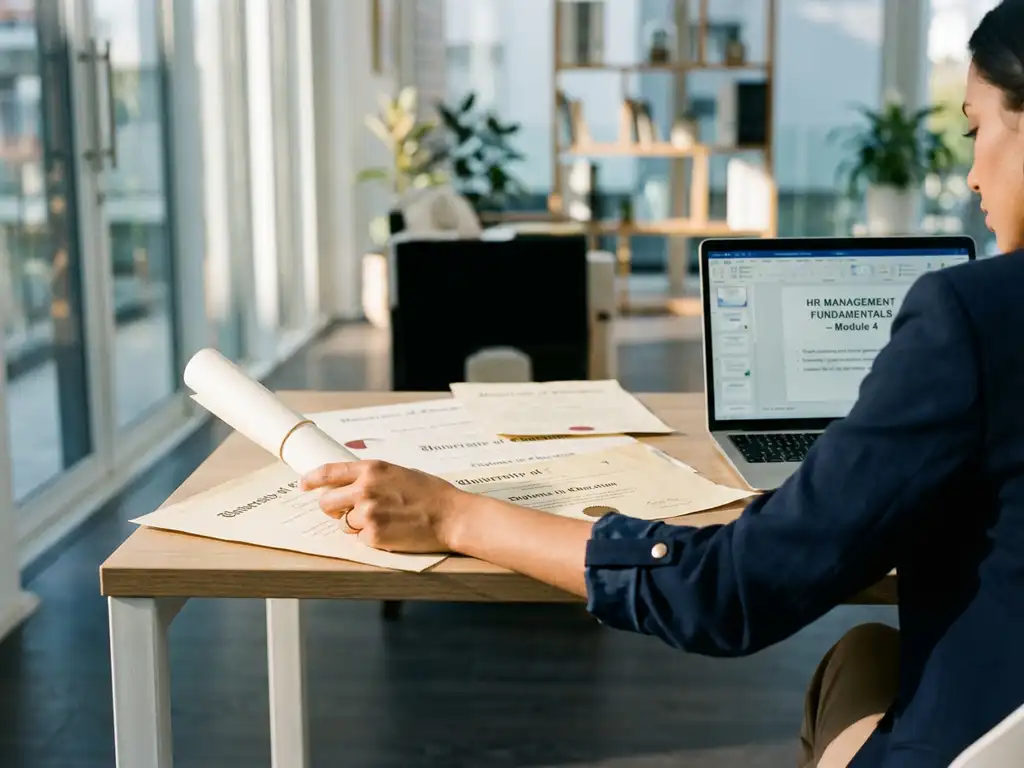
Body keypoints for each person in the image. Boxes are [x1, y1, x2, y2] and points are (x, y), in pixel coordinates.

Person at [302, 3, 1024, 765]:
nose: (973, 172)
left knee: (854, 660)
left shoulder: (969, 317)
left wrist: (453, 515)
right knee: (879, 647)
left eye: (976, 131)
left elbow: (732, 593)